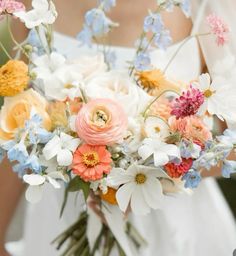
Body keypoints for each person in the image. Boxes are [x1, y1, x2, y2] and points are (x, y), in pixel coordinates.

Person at [0, 0, 236, 255]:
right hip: (58, 216)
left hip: (172, 223)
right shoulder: (32, 4)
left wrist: (151, 174)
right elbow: (20, 124)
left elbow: (231, 144)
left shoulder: (207, 6)